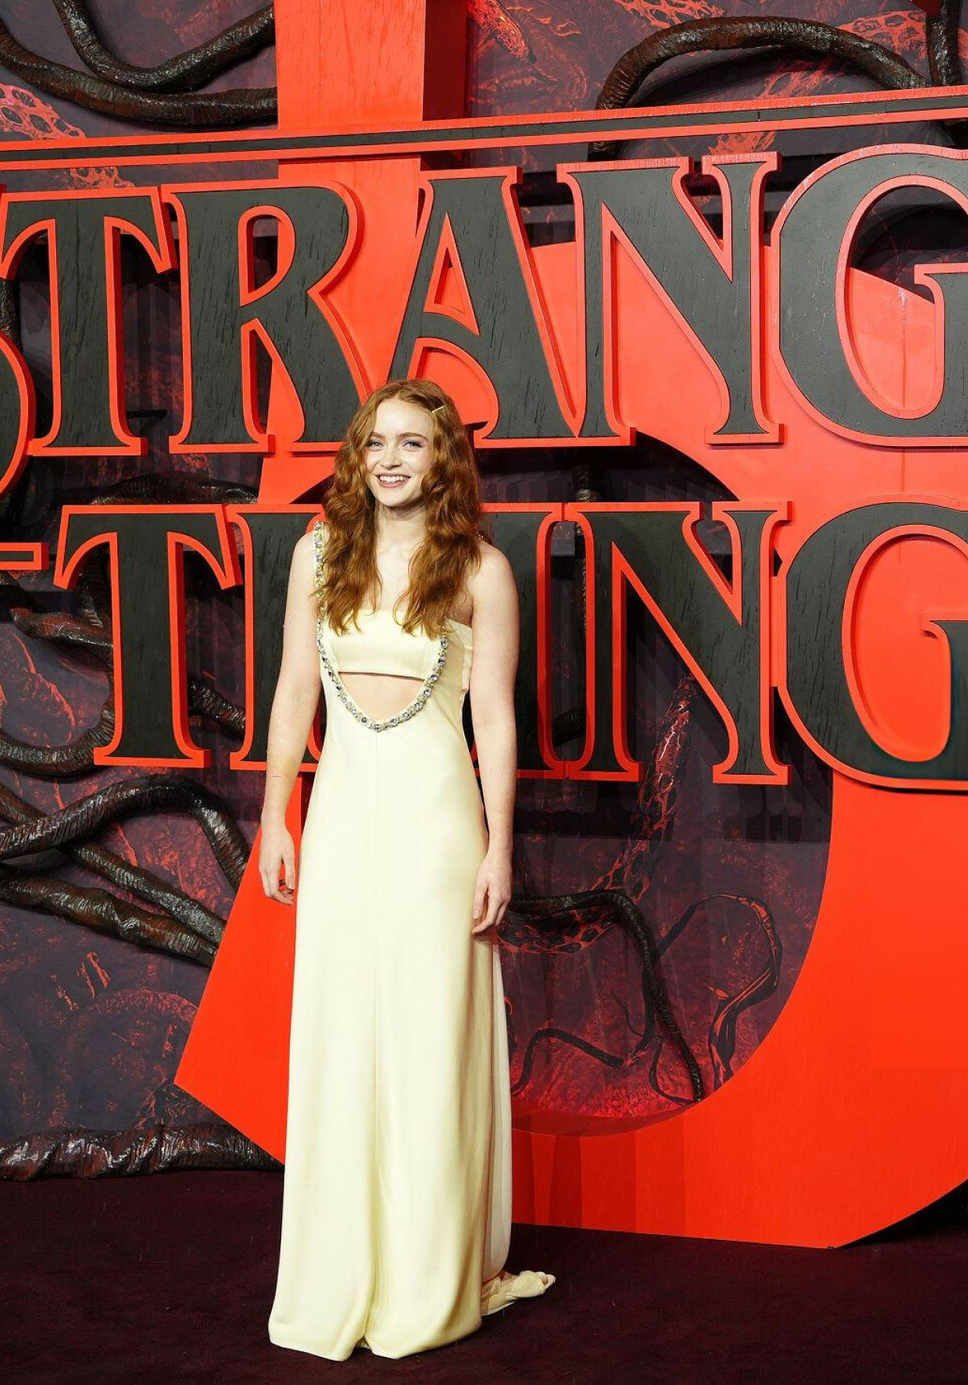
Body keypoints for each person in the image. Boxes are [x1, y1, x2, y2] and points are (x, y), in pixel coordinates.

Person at [257, 378, 554, 1360]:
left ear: (443, 460)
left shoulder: (481, 571)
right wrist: (276, 817)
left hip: (437, 828)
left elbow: (496, 721)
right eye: (376, 442)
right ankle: (344, 1269)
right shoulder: (316, 554)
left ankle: (429, 1274)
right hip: (341, 820)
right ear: (358, 456)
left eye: (412, 443)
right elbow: (294, 690)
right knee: (343, 1035)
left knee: (430, 1038)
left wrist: (499, 845)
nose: (390, 459)